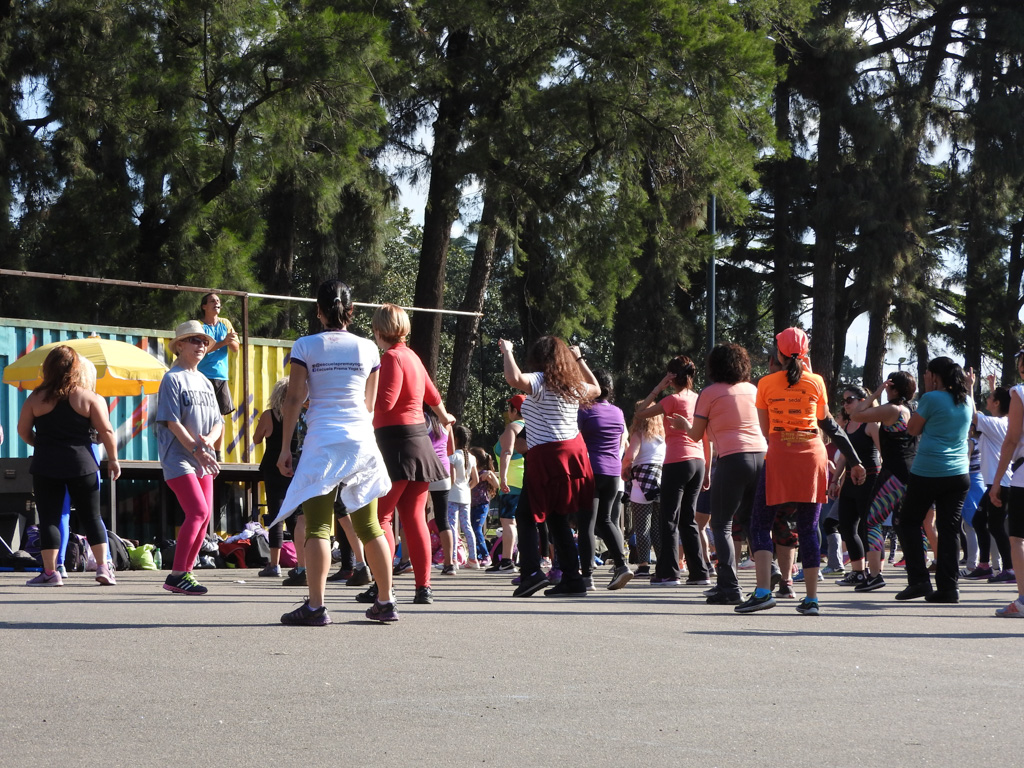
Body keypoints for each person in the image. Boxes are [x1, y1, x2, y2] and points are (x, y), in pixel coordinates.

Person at [270, 281, 394, 624]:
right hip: (361, 441)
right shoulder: (369, 348)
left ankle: (316, 606)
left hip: (322, 442)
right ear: (351, 313)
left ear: (318, 311)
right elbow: (369, 403)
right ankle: (385, 602)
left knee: (318, 527)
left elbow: (294, 399)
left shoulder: (305, 345)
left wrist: (285, 447)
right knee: (370, 526)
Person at [737, 327, 865, 616]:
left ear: (778, 353)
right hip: (812, 455)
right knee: (808, 527)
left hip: (781, 454)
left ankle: (762, 593)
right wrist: (855, 461)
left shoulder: (766, 383)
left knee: (760, 523)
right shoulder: (816, 381)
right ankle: (811, 599)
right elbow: (827, 423)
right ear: (805, 353)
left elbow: (766, 430)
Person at [499, 336, 599, 597]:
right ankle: (572, 579)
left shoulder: (540, 381)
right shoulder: (572, 384)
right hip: (572, 453)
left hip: (547, 454)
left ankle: (531, 573)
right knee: (556, 518)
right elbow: (596, 389)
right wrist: (579, 359)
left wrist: (508, 351)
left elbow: (514, 379)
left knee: (524, 515)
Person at [370, 304, 455, 607]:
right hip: (419, 444)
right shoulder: (412, 357)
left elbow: (387, 401)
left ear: (380, 329)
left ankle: (382, 585)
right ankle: (424, 587)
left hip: (396, 445)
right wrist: (445, 418)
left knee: (379, 517)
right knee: (414, 518)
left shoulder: (391, 357)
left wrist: (360, 402)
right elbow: (433, 396)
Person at [669, 343, 767, 605]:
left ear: (715, 366)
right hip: (761, 456)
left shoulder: (710, 393)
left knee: (720, 523)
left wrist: (682, 424)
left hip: (734, 458)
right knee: (751, 521)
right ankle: (771, 576)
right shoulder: (752, 389)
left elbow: (696, 435)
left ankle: (729, 586)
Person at [17, 345, 121, 586]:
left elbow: (23, 431)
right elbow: (106, 430)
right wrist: (113, 460)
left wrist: (41, 444)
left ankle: (51, 573)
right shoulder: (88, 397)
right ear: (76, 369)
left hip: (46, 465)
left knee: (50, 518)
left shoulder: (35, 398)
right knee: (92, 517)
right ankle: (104, 568)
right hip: (83, 465)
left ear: (48, 369)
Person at [895, 358, 974, 603]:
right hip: (959, 473)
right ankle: (949, 587)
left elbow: (912, 429)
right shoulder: (967, 400)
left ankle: (919, 581)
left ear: (935, 376)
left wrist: (929, 394)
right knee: (950, 529)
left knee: (907, 522)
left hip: (929, 470)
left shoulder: (931, 398)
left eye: (928, 373)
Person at [156, 321, 224, 595]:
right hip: (179, 457)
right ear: (180, 345)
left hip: (203, 458)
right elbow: (172, 422)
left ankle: (187, 573)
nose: (201, 345)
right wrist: (197, 449)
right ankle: (177, 574)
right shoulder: (172, 379)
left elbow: (219, 421)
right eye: (194, 340)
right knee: (196, 511)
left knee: (205, 518)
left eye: (204, 341)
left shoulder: (206, 381)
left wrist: (210, 441)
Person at [635, 355, 710, 586]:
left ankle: (669, 572)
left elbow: (640, 413)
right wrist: (706, 469)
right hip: (697, 461)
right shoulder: (699, 399)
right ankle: (699, 573)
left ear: (672, 377)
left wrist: (659, 387)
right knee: (689, 520)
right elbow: (707, 437)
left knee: (669, 518)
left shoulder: (671, 400)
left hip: (676, 461)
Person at [847, 370, 919, 591]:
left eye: (888, 387)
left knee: (872, 520)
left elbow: (856, 415)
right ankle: (918, 572)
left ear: (894, 388)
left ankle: (876, 574)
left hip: (893, 473)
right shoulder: (909, 409)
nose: (885, 390)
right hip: (911, 471)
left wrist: (875, 393)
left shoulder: (892, 409)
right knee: (906, 523)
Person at [577, 368, 632, 590]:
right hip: (612, 473)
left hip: (591, 470)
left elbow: (575, 439)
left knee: (587, 524)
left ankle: (587, 576)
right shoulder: (618, 412)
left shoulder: (584, 410)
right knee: (606, 520)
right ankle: (621, 564)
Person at [831, 385, 881, 588]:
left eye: (849, 399)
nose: (845, 404)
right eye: (843, 401)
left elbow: (882, 452)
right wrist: (835, 480)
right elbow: (843, 457)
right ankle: (858, 572)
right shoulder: (848, 426)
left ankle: (876, 574)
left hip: (869, 479)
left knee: (869, 527)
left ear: (863, 400)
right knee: (846, 526)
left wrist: (883, 480)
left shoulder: (871, 424)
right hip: (850, 481)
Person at [252, 377, 302, 579]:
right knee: (297, 516)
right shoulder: (302, 415)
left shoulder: (268, 416)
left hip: (273, 467)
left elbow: (256, 440)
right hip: (296, 467)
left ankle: (274, 564)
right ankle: (301, 562)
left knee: (276, 515)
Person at [988, 349, 1024, 618]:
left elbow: (1011, 439)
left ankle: (1023, 601)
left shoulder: (1019, 393)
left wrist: (998, 480)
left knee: (1018, 538)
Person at [968, 375, 1014, 582]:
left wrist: (970, 387)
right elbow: (1000, 404)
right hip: (996, 483)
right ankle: (985, 565)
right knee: (979, 521)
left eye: (990, 397)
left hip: (1001, 483)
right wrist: (993, 386)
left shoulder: (994, 423)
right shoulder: (1002, 420)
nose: (986, 399)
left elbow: (972, 414)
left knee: (995, 526)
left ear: (996, 403)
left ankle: (1010, 569)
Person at [621, 400, 666, 579]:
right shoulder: (662, 438)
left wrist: (625, 470)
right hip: (659, 481)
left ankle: (644, 564)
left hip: (641, 482)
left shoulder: (639, 435)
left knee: (642, 526)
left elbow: (630, 456)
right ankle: (662, 562)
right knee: (656, 526)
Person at [196, 293, 239, 457]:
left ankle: (218, 453)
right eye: (212, 301)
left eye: (218, 301)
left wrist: (231, 340)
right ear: (204, 307)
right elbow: (202, 350)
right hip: (202, 375)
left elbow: (235, 348)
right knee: (201, 414)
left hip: (221, 376)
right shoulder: (199, 326)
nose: (216, 303)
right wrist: (223, 342)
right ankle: (201, 450)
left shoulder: (225, 323)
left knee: (220, 415)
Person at [488, 395, 525, 573]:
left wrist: (502, 478)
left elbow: (507, 452)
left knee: (508, 521)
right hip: (528, 480)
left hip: (512, 483)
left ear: (515, 410)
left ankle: (507, 560)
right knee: (525, 522)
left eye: (509, 408)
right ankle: (527, 559)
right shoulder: (534, 426)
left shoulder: (513, 427)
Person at [448, 425, 479, 568]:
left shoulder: (453, 457)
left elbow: (452, 479)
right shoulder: (471, 457)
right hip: (466, 495)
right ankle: (473, 559)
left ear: (456, 439)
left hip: (453, 495)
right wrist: (467, 487)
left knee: (453, 527)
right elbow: (476, 479)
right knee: (467, 526)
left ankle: (453, 558)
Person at [469, 447, 499, 564]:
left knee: (477, 529)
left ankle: (486, 555)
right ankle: (478, 555)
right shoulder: (471, 472)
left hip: (482, 505)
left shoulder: (484, 473)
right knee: (472, 529)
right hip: (471, 505)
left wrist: (490, 474)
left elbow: (496, 485)